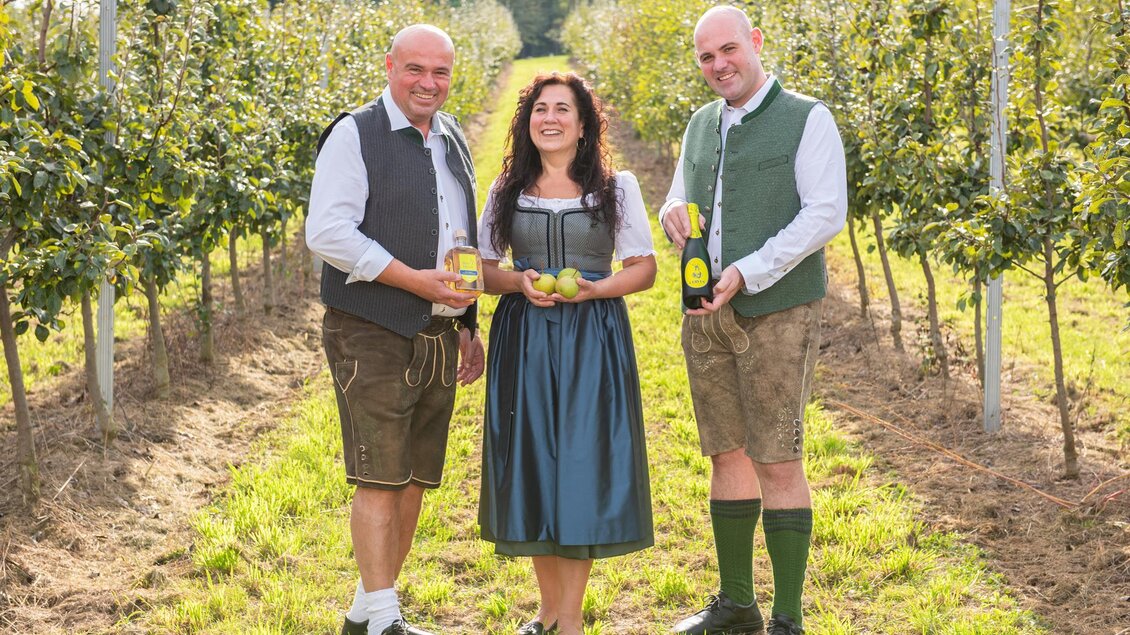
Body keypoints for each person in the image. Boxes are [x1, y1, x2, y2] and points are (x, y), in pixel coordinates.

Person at [660, 6, 847, 635]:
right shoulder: (700, 124)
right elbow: (681, 192)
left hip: (777, 310)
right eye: (706, 58)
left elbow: (824, 213)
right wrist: (671, 215)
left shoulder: (805, 118)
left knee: (778, 459)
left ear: (756, 44)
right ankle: (738, 604)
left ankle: (788, 618)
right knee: (726, 453)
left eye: (728, 50)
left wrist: (748, 269)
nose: (719, 66)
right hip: (706, 313)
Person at [306, 24, 485, 635]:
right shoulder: (355, 135)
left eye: (440, 72)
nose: (428, 83)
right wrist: (414, 281)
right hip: (371, 327)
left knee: (413, 477)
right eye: (415, 69)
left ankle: (368, 609)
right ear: (389, 67)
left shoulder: (452, 136)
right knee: (380, 475)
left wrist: (466, 318)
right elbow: (328, 233)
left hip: (437, 330)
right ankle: (385, 619)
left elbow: (462, 236)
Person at [476, 72, 657, 635]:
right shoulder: (506, 189)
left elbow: (644, 269)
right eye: (539, 109)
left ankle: (571, 620)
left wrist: (597, 288)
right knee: (532, 464)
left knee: (579, 467)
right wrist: (517, 282)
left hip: (592, 339)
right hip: (524, 338)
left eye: (562, 109)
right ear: (526, 121)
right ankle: (548, 612)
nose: (549, 119)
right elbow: (482, 269)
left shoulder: (615, 188)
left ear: (583, 125)